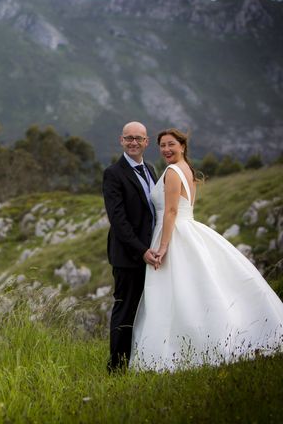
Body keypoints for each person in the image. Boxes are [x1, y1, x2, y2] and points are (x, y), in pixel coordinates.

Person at [130, 128, 283, 372]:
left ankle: (178, 348)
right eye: (162, 146)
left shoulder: (171, 172)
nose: (166, 149)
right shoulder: (187, 170)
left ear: (182, 146)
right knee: (194, 288)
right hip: (188, 228)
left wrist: (164, 245)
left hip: (174, 233)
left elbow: (171, 211)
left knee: (174, 292)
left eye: (171, 144)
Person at [102, 121, 159, 373]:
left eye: (139, 138)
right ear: (121, 141)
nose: (133, 142)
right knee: (124, 309)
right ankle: (116, 368)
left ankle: (141, 360)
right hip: (128, 256)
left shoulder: (151, 169)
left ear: (146, 142)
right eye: (129, 138)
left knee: (147, 310)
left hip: (151, 253)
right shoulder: (113, 173)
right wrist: (141, 250)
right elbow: (119, 221)